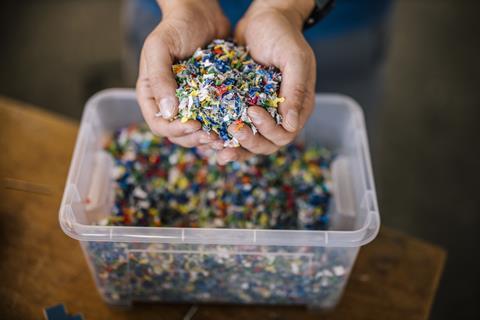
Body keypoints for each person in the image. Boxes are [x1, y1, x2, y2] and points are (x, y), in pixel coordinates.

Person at [127, 0, 393, 165]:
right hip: (170, 14)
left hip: (333, 26)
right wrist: (183, 4)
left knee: (340, 148)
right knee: (165, 129)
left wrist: (286, 7)